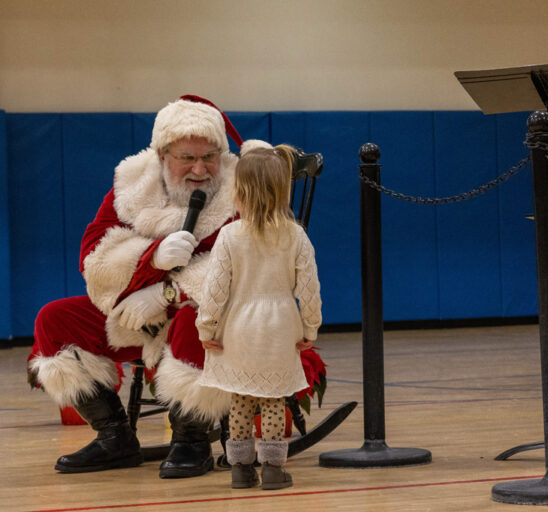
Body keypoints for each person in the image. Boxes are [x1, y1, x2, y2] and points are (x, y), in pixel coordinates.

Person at [26, 95, 325, 479]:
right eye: (187, 157)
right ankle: (114, 437)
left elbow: (254, 272)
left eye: (210, 156)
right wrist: (151, 257)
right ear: (163, 155)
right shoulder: (133, 184)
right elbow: (93, 256)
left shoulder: (244, 187)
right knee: (55, 319)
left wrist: (168, 293)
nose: (200, 169)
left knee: (194, 321)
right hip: (135, 314)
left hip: (216, 319)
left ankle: (191, 440)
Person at [195, 143, 322, 490]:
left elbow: (215, 290)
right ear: (283, 189)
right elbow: (309, 289)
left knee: (240, 400)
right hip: (280, 330)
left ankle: (240, 469)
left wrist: (206, 327)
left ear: (239, 191)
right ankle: (272, 470)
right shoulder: (296, 236)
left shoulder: (229, 235)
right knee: (273, 401)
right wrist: (310, 326)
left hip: (238, 329)